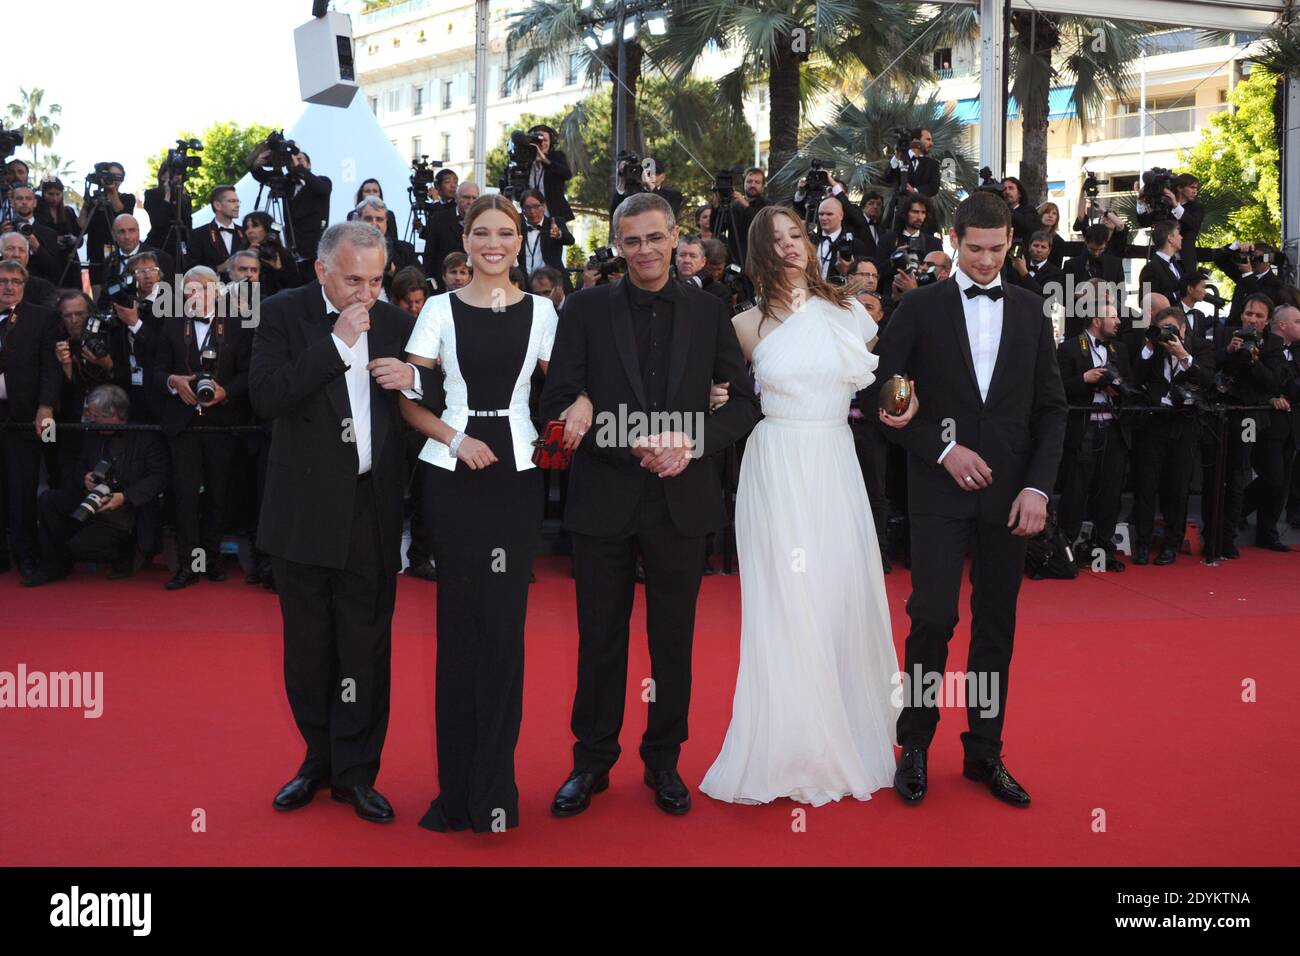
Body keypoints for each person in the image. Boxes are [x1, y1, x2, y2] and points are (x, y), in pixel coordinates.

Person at [539, 191, 761, 817]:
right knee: (600, 639)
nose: (644, 250)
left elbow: (743, 405)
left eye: (654, 238)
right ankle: (592, 762)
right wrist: (628, 441)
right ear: (616, 245)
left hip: (682, 501)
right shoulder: (583, 309)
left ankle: (664, 761)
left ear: (675, 238)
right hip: (605, 498)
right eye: (631, 240)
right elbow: (558, 401)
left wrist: (690, 445)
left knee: (673, 642)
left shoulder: (711, 310)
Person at [701, 203, 913, 805]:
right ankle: (787, 745)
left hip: (835, 462)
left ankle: (842, 732)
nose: (792, 246)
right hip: (776, 465)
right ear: (759, 254)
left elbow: (884, 391)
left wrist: (907, 406)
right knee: (784, 604)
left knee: (838, 597)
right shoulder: (745, 326)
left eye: (797, 234)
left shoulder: (851, 313)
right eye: (777, 240)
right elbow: (729, 398)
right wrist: (713, 397)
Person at [867, 190, 1068, 807]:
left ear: (1011, 242)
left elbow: (1052, 409)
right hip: (938, 489)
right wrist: (943, 449)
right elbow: (885, 400)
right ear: (953, 241)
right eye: (975, 249)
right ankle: (916, 746)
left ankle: (984, 752)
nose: (986, 261)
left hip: (1009, 497)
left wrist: (1037, 488)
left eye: (997, 249)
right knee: (932, 617)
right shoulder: (919, 308)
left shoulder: (1034, 311)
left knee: (995, 627)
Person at [250, 220, 442, 825]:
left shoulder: (396, 322)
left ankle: (358, 774)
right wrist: (334, 346)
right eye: (354, 280)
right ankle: (318, 760)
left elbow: (440, 385)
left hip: (373, 508)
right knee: (309, 648)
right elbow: (265, 396)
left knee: (364, 647)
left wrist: (414, 377)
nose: (366, 293)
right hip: (302, 509)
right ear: (321, 271)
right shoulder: (283, 313)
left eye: (376, 279)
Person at [399, 194, 567, 832]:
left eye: (505, 233)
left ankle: (496, 793)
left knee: (504, 634)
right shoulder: (438, 310)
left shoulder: (545, 311)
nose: (493, 243)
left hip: (518, 478)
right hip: (454, 476)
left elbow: (570, 380)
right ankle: (456, 795)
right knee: (458, 633)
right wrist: (453, 438)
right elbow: (410, 401)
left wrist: (577, 409)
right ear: (464, 242)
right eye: (481, 233)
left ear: (520, 243)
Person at [152, 265, 252, 589]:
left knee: (218, 494)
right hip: (183, 424)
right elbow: (156, 371)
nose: (193, 296)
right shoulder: (171, 326)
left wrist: (226, 392)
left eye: (200, 290)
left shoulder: (236, 326)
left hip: (221, 423)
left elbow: (247, 373)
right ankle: (187, 564)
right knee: (184, 495)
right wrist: (172, 381)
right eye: (189, 291)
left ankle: (211, 559)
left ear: (216, 291)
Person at [28, 385, 169, 586]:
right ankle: (52, 566)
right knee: (49, 500)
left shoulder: (145, 436)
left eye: (97, 415)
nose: (91, 419)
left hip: (125, 512)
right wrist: (84, 477)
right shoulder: (92, 434)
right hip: (90, 501)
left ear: (116, 415)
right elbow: (76, 466)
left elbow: (159, 477)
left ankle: (125, 554)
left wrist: (125, 497)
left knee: (78, 547)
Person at [1055, 284, 1133, 571]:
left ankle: (1102, 551)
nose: (1119, 321)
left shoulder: (1120, 349)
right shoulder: (1069, 348)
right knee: (1076, 492)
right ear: (1097, 320)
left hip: (1113, 430)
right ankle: (1064, 552)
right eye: (1113, 317)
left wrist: (1118, 389)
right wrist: (1085, 379)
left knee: (1110, 493)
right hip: (1082, 430)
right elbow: (1056, 390)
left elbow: (1131, 386)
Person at [1130, 306, 1216, 565]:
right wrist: (1149, 345)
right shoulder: (1153, 350)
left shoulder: (1201, 348)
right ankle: (1143, 544)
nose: (1167, 335)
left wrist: (1183, 355)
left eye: (1171, 330)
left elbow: (1209, 381)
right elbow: (1136, 377)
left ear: (1183, 329)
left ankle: (1172, 543)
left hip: (1185, 425)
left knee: (1178, 487)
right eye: (1162, 329)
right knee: (1145, 485)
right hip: (1154, 424)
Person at [0, 260, 59, 580]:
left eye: (14, 281)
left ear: (24, 285)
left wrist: (45, 407)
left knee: (22, 488)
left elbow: (51, 369)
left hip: (24, 416)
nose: (8, 286)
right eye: (2, 280)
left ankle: (27, 556)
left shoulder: (42, 318)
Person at [77, 162, 135, 287]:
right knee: (98, 290)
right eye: (111, 175)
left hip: (119, 252)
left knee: (118, 288)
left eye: (119, 176)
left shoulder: (128, 198)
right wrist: (86, 205)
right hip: (96, 253)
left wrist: (112, 190)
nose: (114, 179)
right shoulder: (95, 200)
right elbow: (82, 226)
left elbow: (121, 212)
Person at [354, 196, 419, 297]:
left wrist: (395, 273)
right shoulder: (347, 250)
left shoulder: (404, 250)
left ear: (386, 222)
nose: (374, 224)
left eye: (379, 219)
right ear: (358, 220)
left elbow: (420, 286)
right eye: (368, 219)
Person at [1, 184, 64, 284]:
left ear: (35, 203)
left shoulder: (49, 233)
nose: (24, 202)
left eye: (28, 199)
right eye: (19, 199)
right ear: (12, 203)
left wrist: (37, 247)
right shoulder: (4, 229)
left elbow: (55, 271)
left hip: (37, 288)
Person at [423, 181, 480, 287]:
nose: (470, 202)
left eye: (474, 198)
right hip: (442, 285)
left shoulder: (484, 222)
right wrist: (430, 281)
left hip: (476, 285)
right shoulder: (439, 219)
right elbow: (430, 254)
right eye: (466, 197)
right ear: (456, 198)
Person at [516, 188, 574, 291]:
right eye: (527, 207)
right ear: (523, 209)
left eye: (536, 206)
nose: (532, 211)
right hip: (524, 284)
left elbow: (570, 240)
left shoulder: (554, 222)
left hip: (551, 284)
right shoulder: (517, 224)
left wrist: (558, 234)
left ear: (544, 206)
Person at [187, 185, 247, 272]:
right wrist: (219, 268)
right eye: (232, 201)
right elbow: (191, 269)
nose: (237, 205)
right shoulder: (199, 234)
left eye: (238, 201)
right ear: (217, 205)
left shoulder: (245, 233)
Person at [242, 211, 301, 296]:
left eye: (255, 226)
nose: (250, 231)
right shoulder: (241, 255)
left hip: (279, 304)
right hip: (253, 305)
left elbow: (295, 287)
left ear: (267, 229)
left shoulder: (283, 254)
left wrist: (279, 269)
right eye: (246, 228)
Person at [525, 124, 575, 224]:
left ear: (551, 142)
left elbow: (567, 174)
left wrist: (545, 160)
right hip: (531, 217)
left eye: (545, 140)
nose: (542, 143)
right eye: (538, 140)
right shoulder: (527, 161)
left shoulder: (557, 157)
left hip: (553, 217)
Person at [1138, 220, 1188, 305]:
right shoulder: (1150, 269)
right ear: (1170, 238)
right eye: (1178, 234)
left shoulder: (1176, 264)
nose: (1181, 237)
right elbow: (1144, 301)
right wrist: (1175, 295)